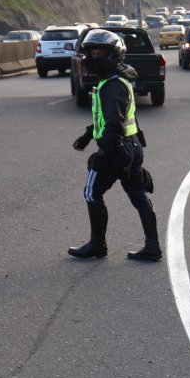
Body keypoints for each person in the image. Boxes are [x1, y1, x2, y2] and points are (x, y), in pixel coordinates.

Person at [69, 29, 161, 262]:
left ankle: (97, 245)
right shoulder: (116, 79)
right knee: (138, 195)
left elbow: (114, 123)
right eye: (91, 53)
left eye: (100, 52)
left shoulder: (111, 85)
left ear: (114, 55)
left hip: (117, 148)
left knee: (92, 192)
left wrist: (102, 152)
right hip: (130, 147)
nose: (93, 57)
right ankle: (152, 247)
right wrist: (89, 134)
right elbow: (113, 117)